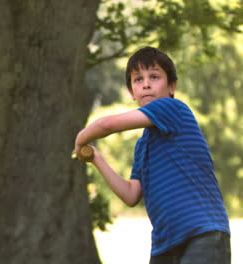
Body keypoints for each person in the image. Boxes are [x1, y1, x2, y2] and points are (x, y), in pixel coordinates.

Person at [74, 46, 231, 263]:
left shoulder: (173, 109)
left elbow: (107, 125)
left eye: (154, 76)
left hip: (202, 233)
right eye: (138, 79)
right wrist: (95, 158)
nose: (146, 83)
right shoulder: (143, 145)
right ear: (131, 92)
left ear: (171, 86)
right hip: (165, 244)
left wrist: (80, 138)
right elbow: (131, 194)